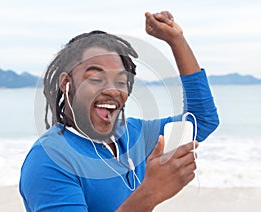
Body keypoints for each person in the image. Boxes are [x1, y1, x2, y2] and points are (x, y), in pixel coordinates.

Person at [19, 10, 219, 211]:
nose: (112, 90)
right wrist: (150, 194)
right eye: (96, 79)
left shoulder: (133, 135)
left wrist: (176, 41)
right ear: (66, 83)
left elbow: (201, 120)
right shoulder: (49, 160)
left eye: (121, 81)